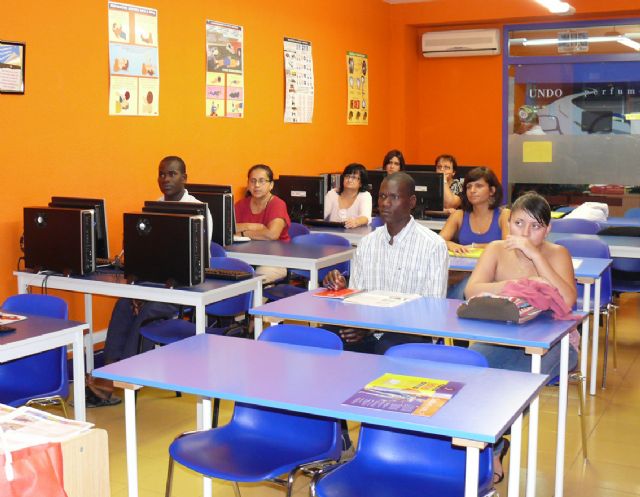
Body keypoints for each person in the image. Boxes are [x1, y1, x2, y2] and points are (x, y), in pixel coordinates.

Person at [465, 191, 578, 483]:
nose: (525, 234)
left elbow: (566, 302)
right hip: (501, 336)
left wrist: (537, 257)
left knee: (514, 384)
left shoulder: (557, 253)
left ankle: (493, 446)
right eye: (518, 224)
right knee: (471, 368)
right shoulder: (495, 249)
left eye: (535, 227)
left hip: (555, 343)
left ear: (548, 229)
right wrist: (517, 284)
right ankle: (480, 441)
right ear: (507, 222)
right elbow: (472, 290)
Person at [85, 156, 212, 407]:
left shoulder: (197, 209)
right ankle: (110, 371)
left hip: (184, 286)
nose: (165, 179)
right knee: (124, 304)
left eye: (172, 174)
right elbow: (148, 252)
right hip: (153, 281)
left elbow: (198, 257)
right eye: (162, 173)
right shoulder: (153, 206)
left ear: (185, 178)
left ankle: (127, 375)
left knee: (147, 311)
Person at [323, 172, 448, 354]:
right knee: (327, 337)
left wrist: (372, 327)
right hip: (366, 328)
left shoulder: (433, 245)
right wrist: (341, 289)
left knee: (386, 348)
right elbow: (356, 299)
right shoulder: (367, 243)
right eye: (382, 196)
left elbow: (432, 311)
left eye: (394, 197)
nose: (385, 203)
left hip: (409, 332)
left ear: (412, 202)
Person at [439, 167, 509, 299]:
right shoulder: (459, 215)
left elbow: (506, 245)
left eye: (478, 186)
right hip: (462, 275)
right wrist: (449, 243)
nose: (472, 190)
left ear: (492, 190)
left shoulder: (504, 215)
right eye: (469, 186)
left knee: (466, 288)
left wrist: (475, 246)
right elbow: (437, 241)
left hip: (493, 277)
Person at [235, 164, 291, 283]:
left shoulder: (277, 204)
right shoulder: (241, 204)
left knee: (253, 282)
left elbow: (272, 235)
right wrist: (253, 226)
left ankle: (254, 301)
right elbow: (228, 228)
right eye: (253, 181)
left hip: (274, 260)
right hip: (244, 258)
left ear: (271, 185)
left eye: (262, 181)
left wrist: (243, 233)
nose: (257, 185)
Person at [324, 163, 372, 228]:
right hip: (332, 234)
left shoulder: (365, 196)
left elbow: (365, 217)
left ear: (361, 183)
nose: (349, 180)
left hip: (355, 235)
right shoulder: (332, 194)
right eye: (347, 176)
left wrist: (356, 222)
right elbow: (322, 215)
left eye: (354, 177)